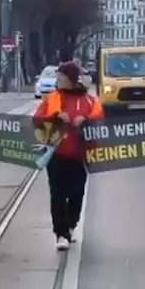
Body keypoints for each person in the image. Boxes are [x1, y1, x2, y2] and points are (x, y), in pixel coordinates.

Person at [32, 61, 104, 250]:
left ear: (70, 79)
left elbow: (101, 121)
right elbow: (36, 119)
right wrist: (53, 117)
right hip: (56, 154)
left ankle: (71, 225)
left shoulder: (89, 100)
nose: (57, 80)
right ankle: (61, 233)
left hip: (81, 155)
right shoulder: (52, 98)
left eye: (61, 76)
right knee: (57, 194)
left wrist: (86, 120)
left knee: (77, 193)